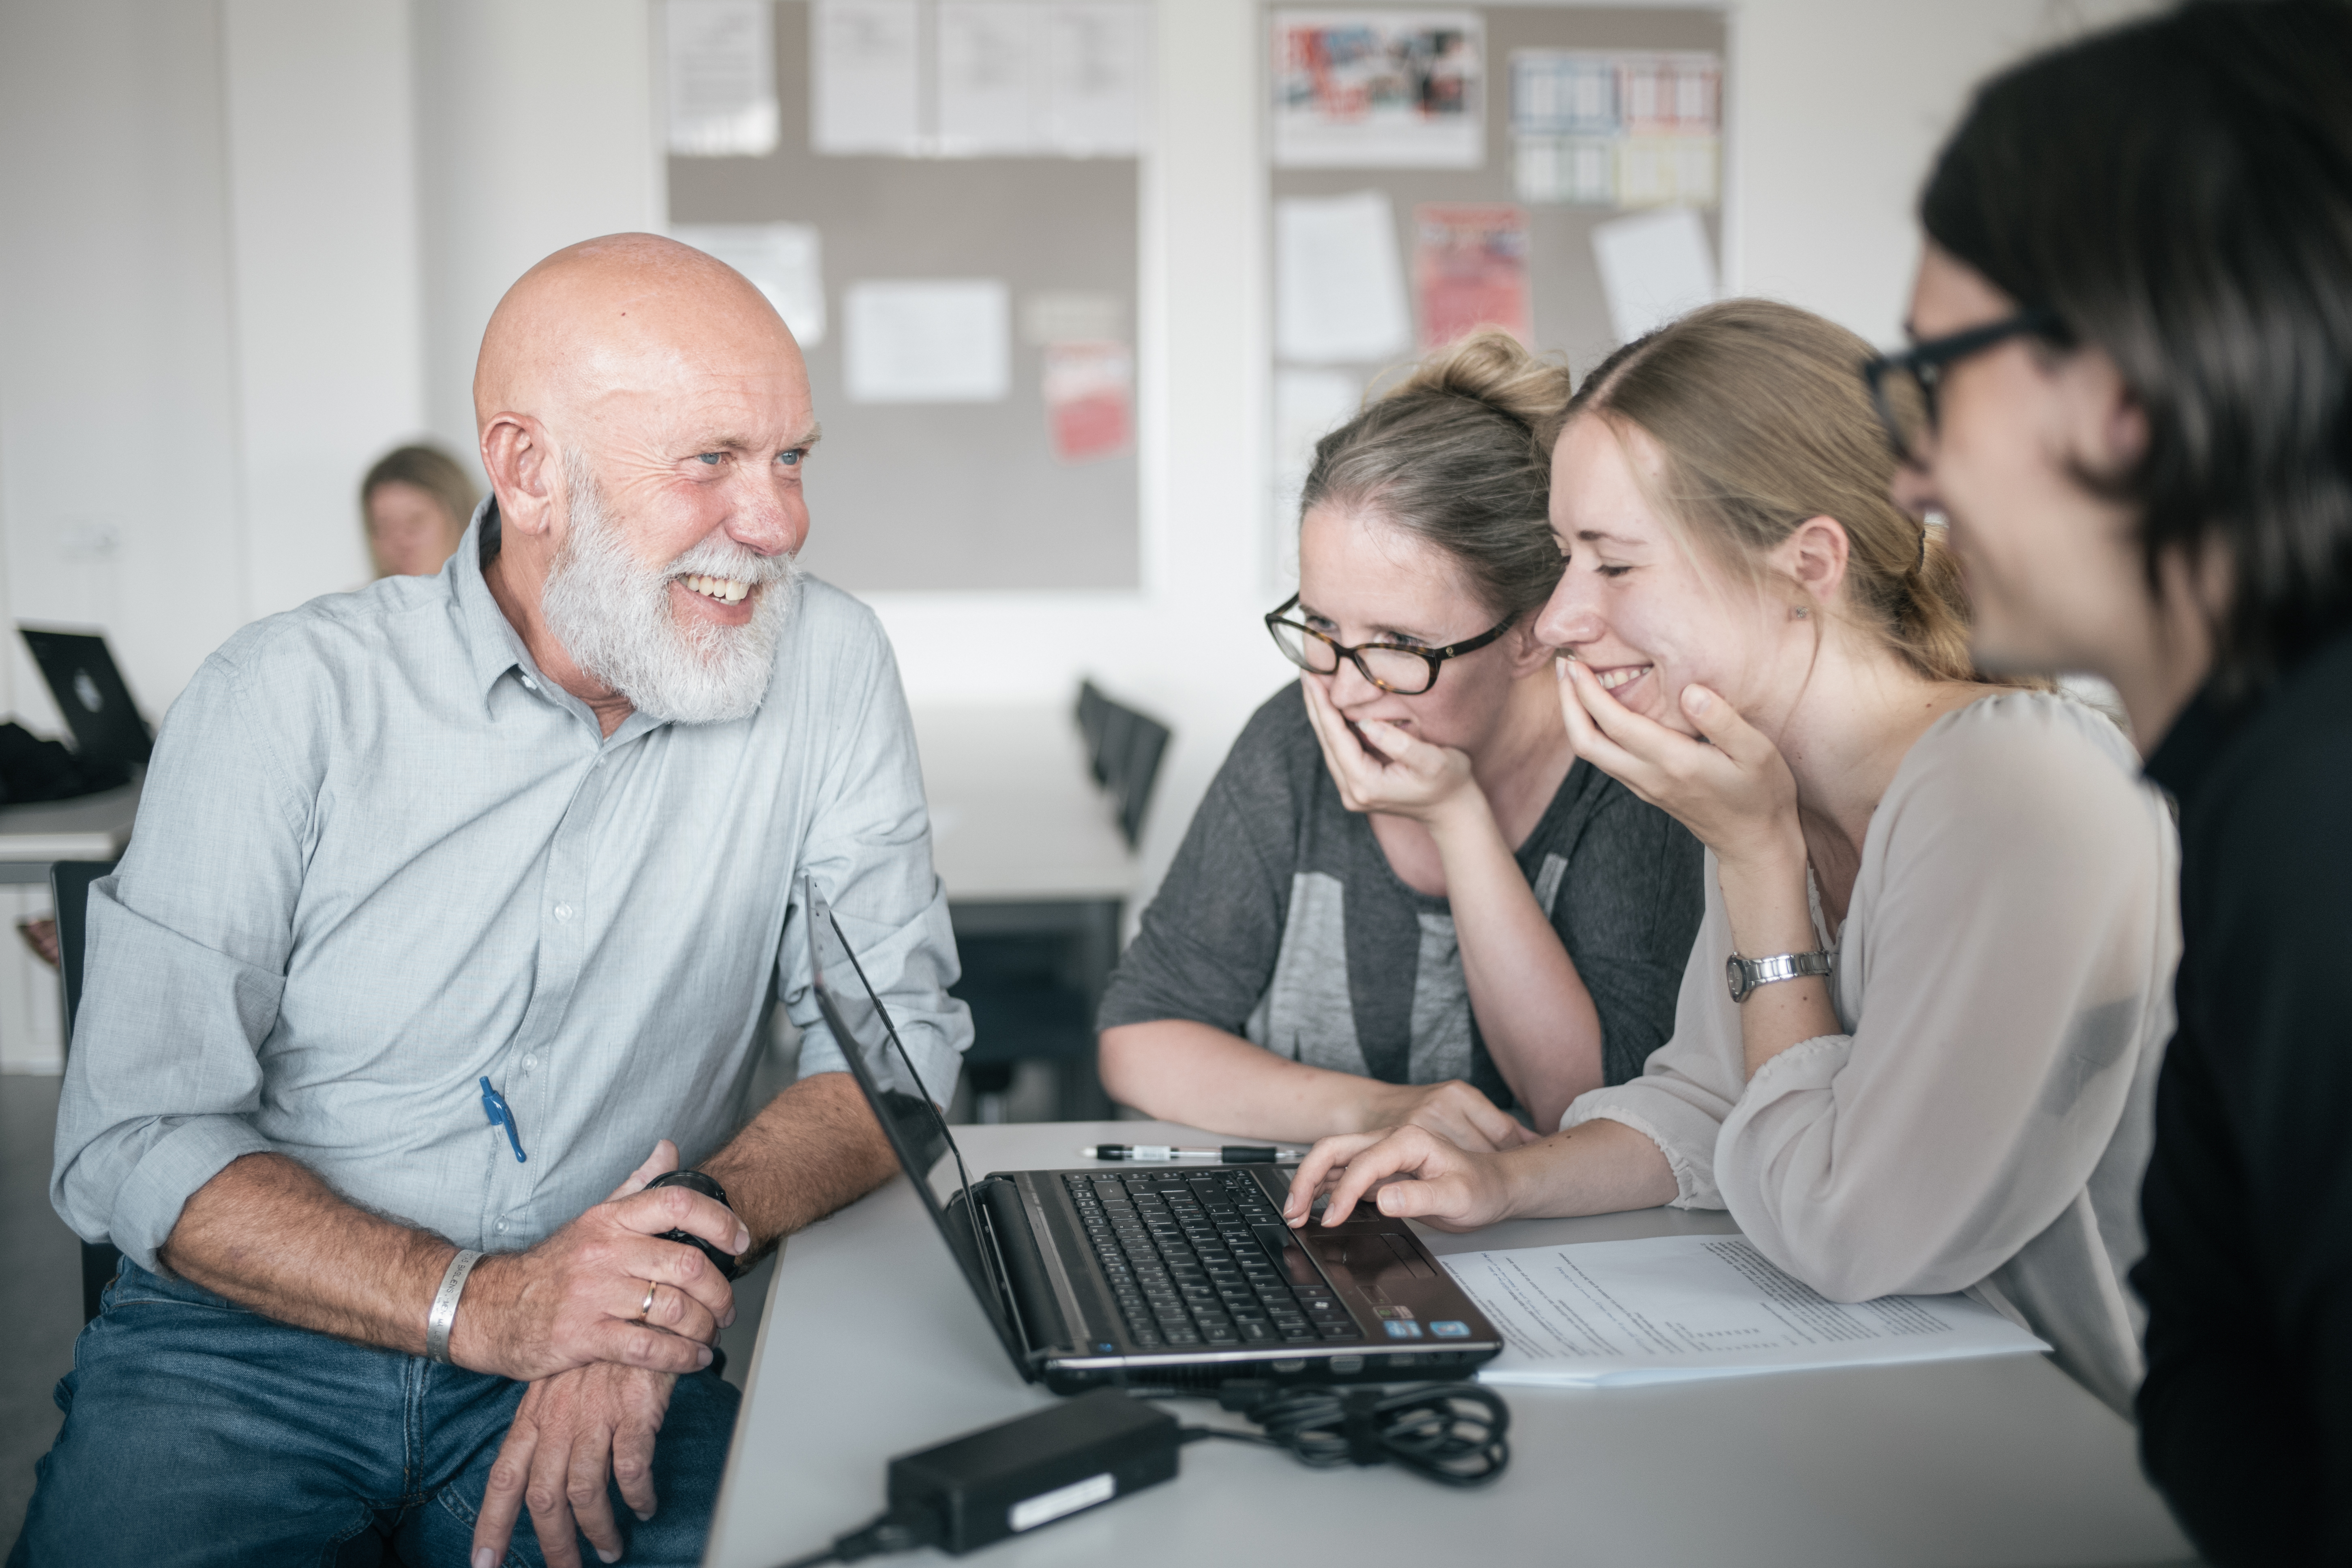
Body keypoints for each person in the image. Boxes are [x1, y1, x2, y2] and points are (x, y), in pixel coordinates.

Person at [9, 234, 970, 1568]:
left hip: (620, 1336)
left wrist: (650, 1279)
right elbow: (135, 1132)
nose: (780, 521)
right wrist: (493, 1304)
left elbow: (897, 1054)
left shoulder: (829, 664)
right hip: (246, 1342)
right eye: (710, 461)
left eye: (791, 458)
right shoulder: (287, 696)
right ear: (529, 471)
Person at [1284, 299, 2180, 1416]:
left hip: (2081, 1441)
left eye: (1611, 565)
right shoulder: (1762, 773)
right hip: (1903, 1405)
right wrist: (1505, 1181)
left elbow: (1844, 1232)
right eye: (1564, 560)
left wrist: (1758, 862)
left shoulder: (2020, 791)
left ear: (1804, 564)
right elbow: (1715, 1101)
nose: (1557, 618)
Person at [1891, 4, 2352, 1558]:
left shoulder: (2317, 823)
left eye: (1931, 381)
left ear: (2117, 398)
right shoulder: (2253, 791)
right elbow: (2213, 1368)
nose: (1909, 475)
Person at [1098, 332, 1705, 1146]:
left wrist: (1458, 823)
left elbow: (1587, 1110)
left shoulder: (1629, 775)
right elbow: (1139, 1038)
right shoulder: (1293, 740)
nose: (1343, 687)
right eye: (1319, 624)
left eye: (1396, 645)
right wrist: (1376, 1109)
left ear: (1533, 635)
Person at [363, 441, 478, 577]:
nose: (401, 542)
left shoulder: (498, 597)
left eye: (415, 521)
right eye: (383, 528)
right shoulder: (359, 598)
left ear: (460, 520)